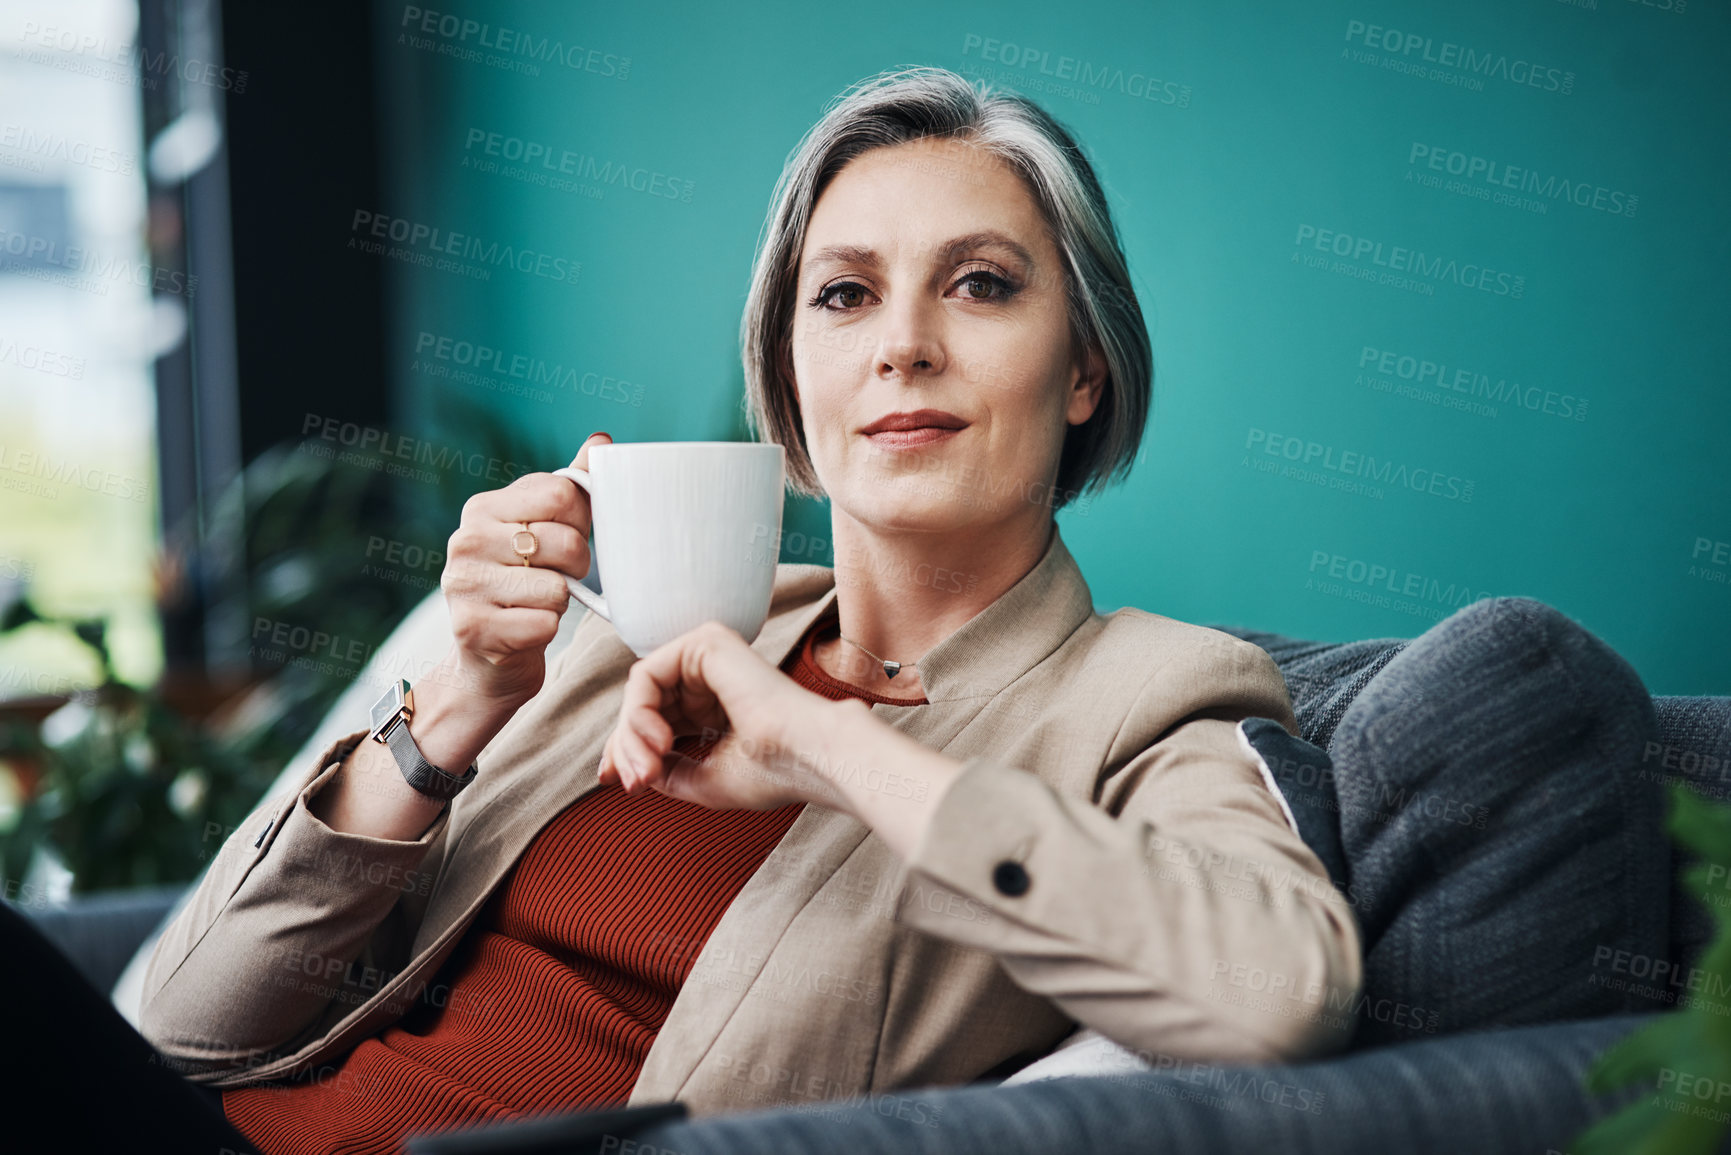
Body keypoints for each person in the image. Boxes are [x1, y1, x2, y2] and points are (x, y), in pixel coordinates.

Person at [129, 66, 1359, 1153]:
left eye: (979, 285)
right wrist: (460, 702)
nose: (904, 347)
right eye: (844, 296)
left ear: (1085, 368)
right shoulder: (626, 646)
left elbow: (1279, 995)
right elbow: (174, 1033)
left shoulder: (1150, 691)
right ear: (788, 380)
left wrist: (822, 742)